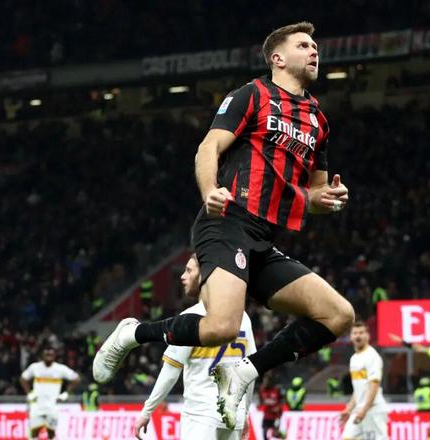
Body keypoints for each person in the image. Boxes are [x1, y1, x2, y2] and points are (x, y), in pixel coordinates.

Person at [94, 21, 355, 429]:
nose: (314, 51)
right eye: (304, 45)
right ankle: (134, 333)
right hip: (227, 222)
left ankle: (244, 371)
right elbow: (208, 147)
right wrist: (209, 190)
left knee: (339, 315)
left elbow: (315, 192)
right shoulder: (251, 95)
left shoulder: (317, 121)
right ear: (278, 58)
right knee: (221, 327)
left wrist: (327, 199)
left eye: (315, 46)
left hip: (263, 240)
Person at [134, 255, 255, 440]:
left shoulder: (190, 318)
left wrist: (147, 411)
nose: (183, 276)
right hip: (234, 416)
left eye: (189, 271)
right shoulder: (242, 317)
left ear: (204, 275)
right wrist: (244, 412)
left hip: (201, 415)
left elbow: (170, 371)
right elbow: (251, 369)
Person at [340, 321, 388, 440]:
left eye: (361, 333)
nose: (358, 336)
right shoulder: (354, 358)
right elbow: (358, 389)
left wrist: (365, 409)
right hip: (358, 410)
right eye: (355, 333)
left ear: (368, 336)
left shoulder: (372, 356)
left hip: (373, 411)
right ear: (351, 337)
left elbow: (374, 385)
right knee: (347, 437)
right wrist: (349, 409)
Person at [19, 347, 80, 440]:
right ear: (42, 355)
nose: (48, 356)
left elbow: (76, 379)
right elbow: (23, 379)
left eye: (51, 354)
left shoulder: (60, 368)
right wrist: (29, 393)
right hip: (37, 405)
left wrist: (66, 393)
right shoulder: (35, 367)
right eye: (47, 354)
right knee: (34, 431)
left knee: (51, 432)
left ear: (54, 356)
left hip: (52, 405)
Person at [259, 372, 284, 440]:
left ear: (270, 382)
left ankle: (283, 436)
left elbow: (282, 400)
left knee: (276, 434)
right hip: (267, 415)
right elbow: (261, 401)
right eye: (263, 381)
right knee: (264, 433)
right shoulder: (262, 391)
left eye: (266, 381)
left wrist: (279, 407)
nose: (264, 383)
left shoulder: (276, 390)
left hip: (276, 415)